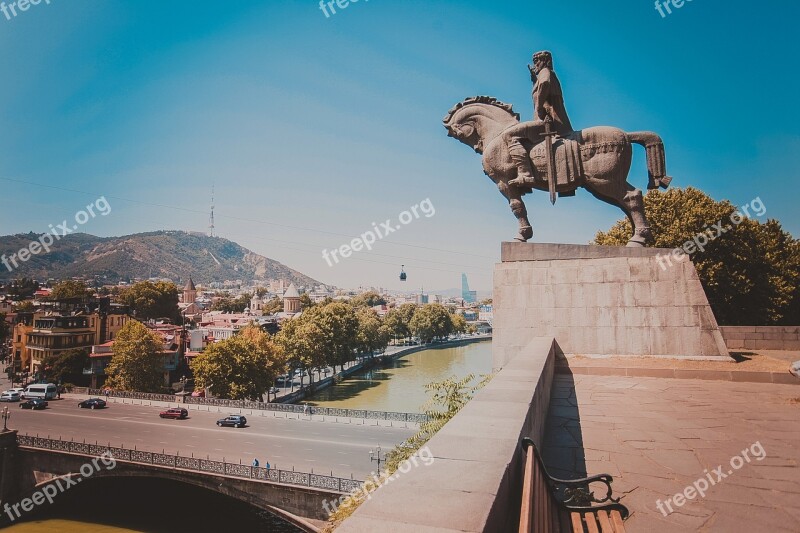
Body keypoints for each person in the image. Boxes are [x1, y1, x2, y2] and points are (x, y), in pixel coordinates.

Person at [505, 50, 574, 187]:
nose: (535, 64)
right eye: (534, 61)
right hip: (546, 121)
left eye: (537, 61)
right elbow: (541, 85)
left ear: (545, 61)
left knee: (510, 134)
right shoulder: (543, 75)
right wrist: (534, 81)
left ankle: (526, 174)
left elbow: (545, 84)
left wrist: (539, 107)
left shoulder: (546, 72)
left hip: (548, 122)